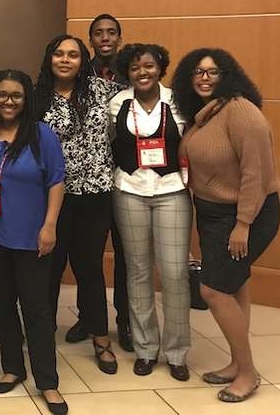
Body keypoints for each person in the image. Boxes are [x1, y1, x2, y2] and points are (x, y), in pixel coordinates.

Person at [172, 48, 280, 402]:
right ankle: (237, 362)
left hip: (247, 214)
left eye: (213, 72)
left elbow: (256, 175)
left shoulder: (242, 112)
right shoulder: (203, 115)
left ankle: (248, 373)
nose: (204, 78)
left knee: (213, 290)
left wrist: (243, 224)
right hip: (212, 213)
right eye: (198, 73)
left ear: (228, 75)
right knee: (235, 287)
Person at [0, 70, 67, 414]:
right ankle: (13, 366)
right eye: (1, 95)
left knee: (37, 310)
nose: (8, 101)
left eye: (15, 95)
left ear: (26, 98)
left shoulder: (41, 134)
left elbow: (56, 181)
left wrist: (50, 226)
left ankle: (48, 382)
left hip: (32, 236)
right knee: (2, 305)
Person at [37, 34, 124, 375]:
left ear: (82, 60)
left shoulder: (105, 91)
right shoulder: (36, 97)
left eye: (73, 55)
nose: (65, 59)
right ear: (49, 58)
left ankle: (101, 341)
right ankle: (42, 340)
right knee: (50, 270)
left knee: (89, 268)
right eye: (58, 53)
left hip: (95, 196)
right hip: (50, 198)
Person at [108, 44, 191, 381]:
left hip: (171, 190)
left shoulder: (178, 101)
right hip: (129, 190)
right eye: (135, 68)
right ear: (127, 73)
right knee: (138, 271)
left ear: (160, 68)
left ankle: (177, 352)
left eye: (149, 66)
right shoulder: (117, 103)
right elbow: (109, 142)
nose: (142, 72)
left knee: (174, 274)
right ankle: (145, 349)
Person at [66, 14, 133, 352]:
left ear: (119, 37)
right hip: (87, 178)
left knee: (125, 254)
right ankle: (88, 318)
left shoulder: (132, 71)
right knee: (86, 255)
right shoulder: (80, 71)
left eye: (111, 32)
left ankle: (125, 320)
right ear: (90, 39)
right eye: (98, 33)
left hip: (125, 174)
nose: (105, 38)